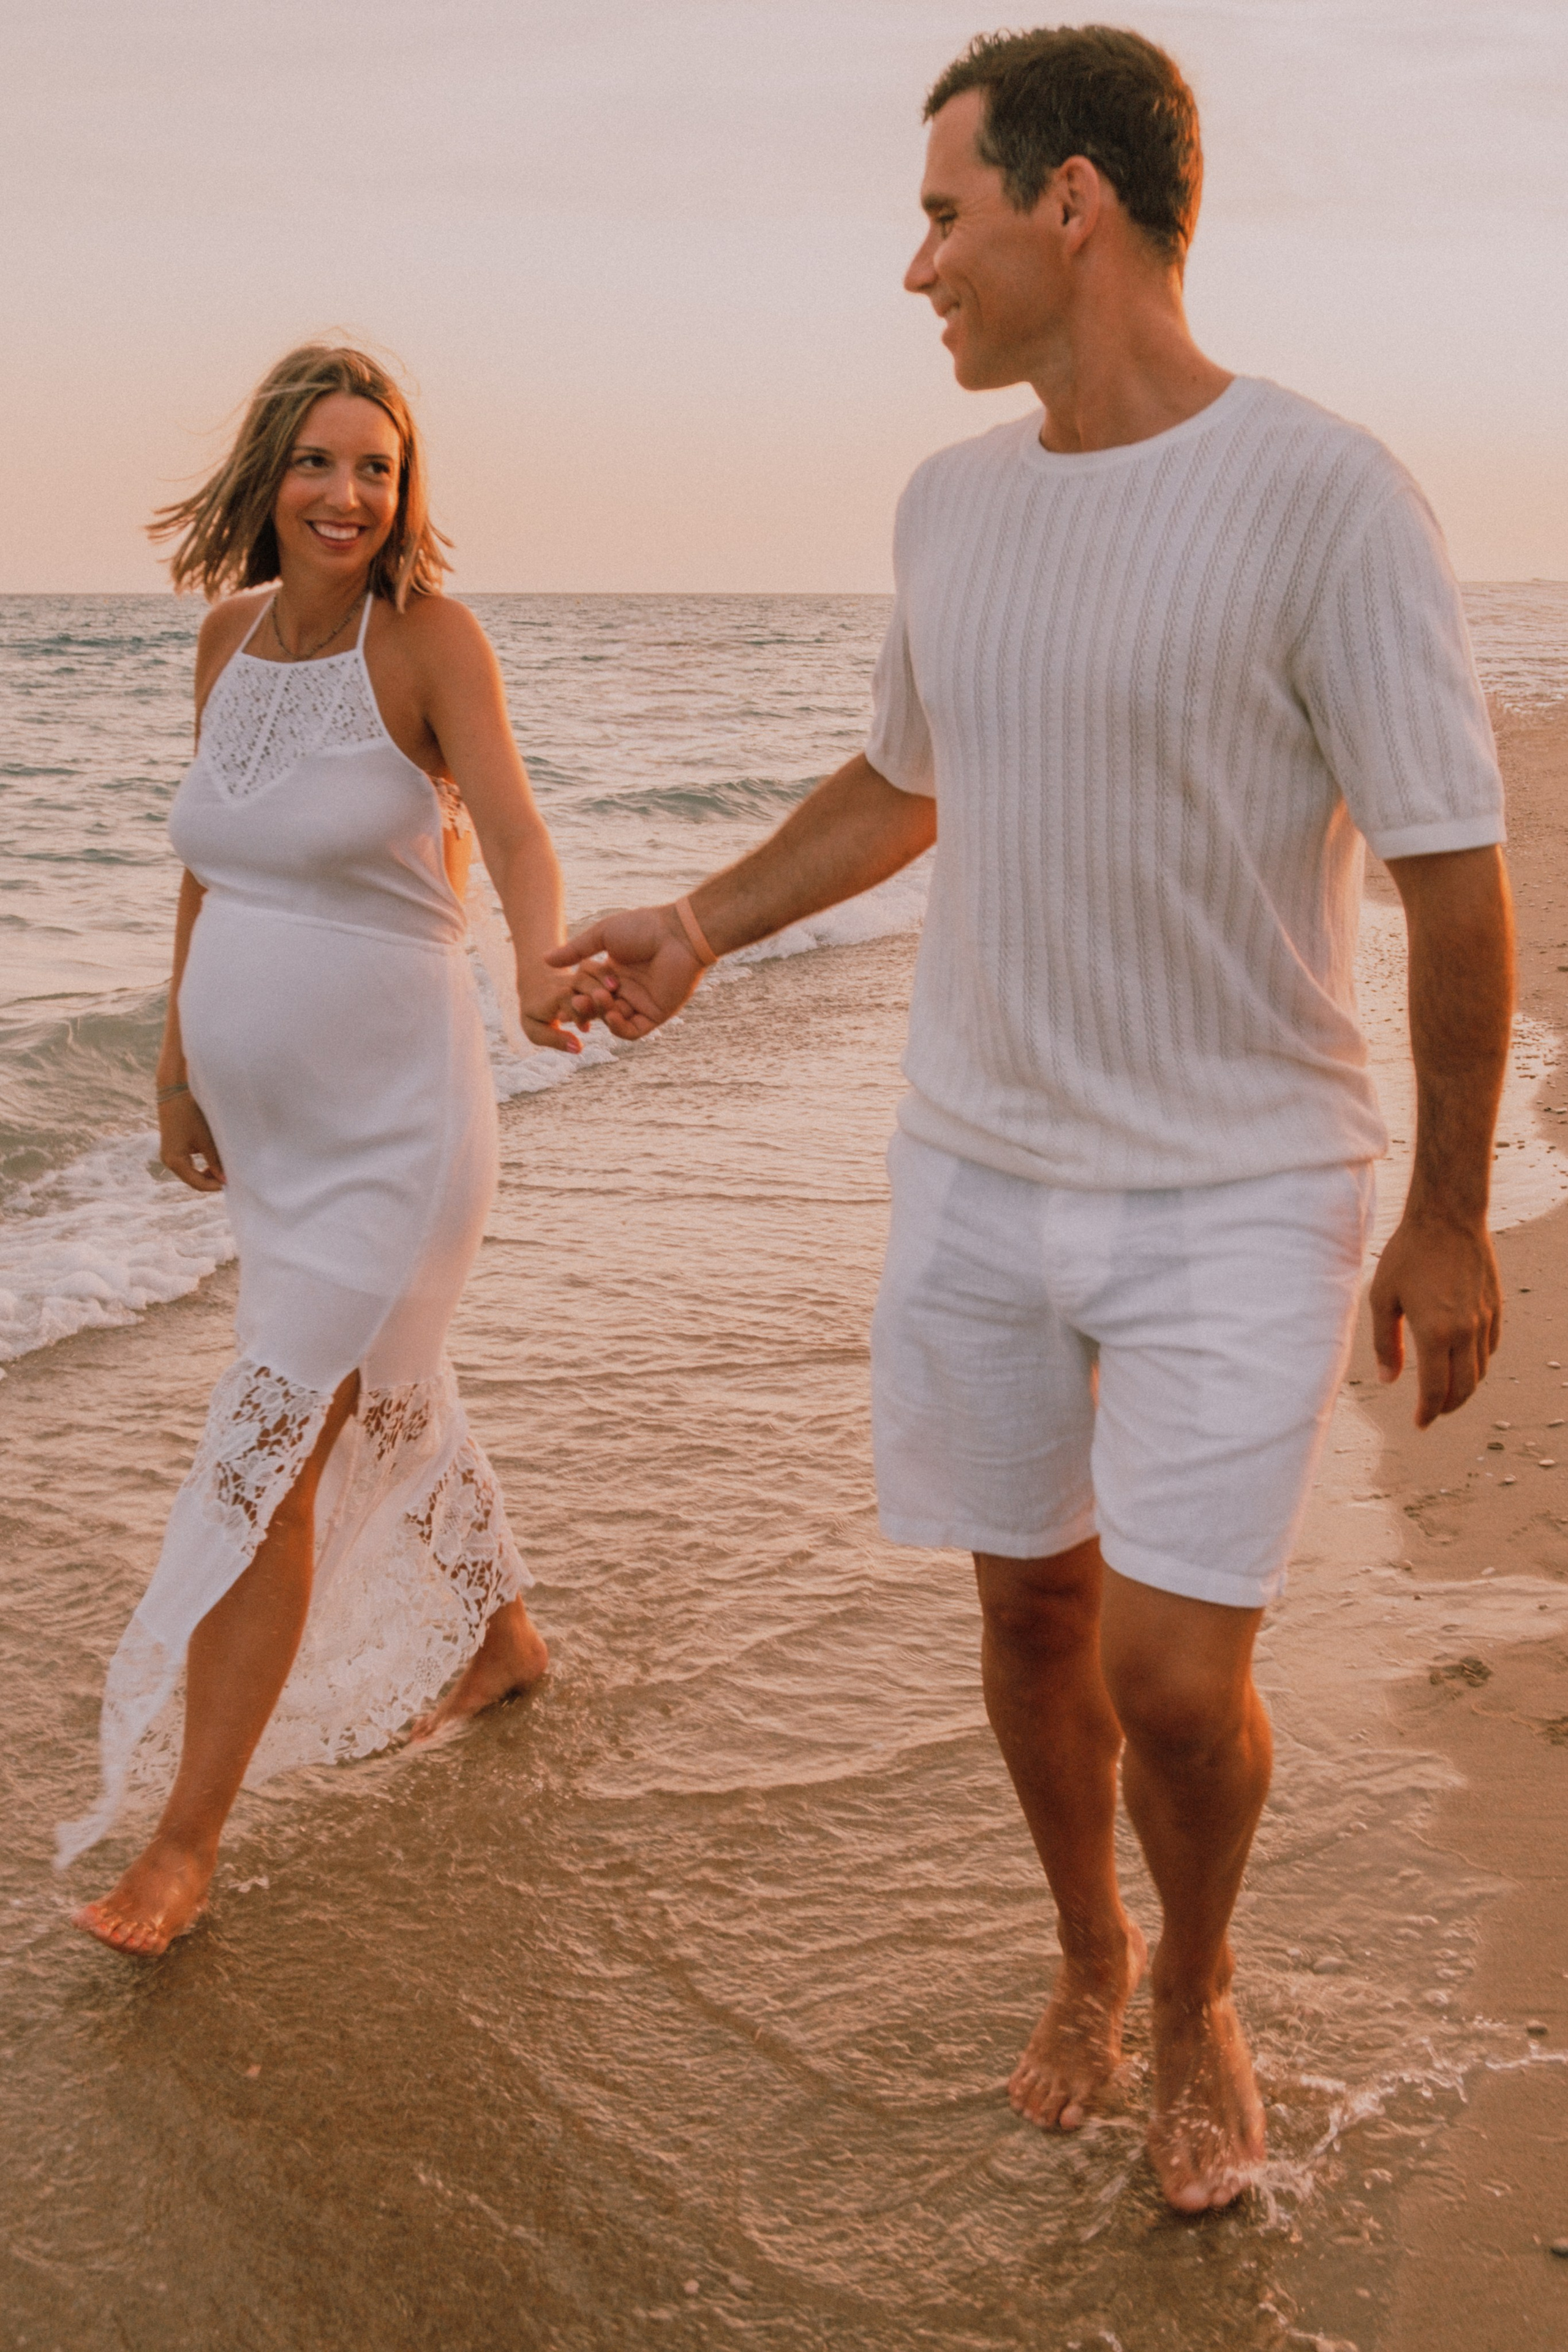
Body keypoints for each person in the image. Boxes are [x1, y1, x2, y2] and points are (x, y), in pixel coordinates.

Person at [550, 29, 1512, 2211]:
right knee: (1031, 1621)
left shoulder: (1329, 495)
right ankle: (1090, 1949)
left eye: (941, 215)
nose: (917, 269)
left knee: (1172, 1674)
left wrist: (1451, 1209)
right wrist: (699, 923)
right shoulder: (949, 505)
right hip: (978, 1166)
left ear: (1071, 203)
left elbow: (1457, 877)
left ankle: (1198, 1991)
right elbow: (910, 778)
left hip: (1246, 1178)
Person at [62, 344, 587, 1956]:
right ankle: (501, 1640)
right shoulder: (225, 641)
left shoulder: (427, 640)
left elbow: (514, 828)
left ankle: (184, 1845)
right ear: (267, 476)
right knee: (389, 1390)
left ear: (404, 489)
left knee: (274, 1437)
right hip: (274, 1138)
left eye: (377, 466)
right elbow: (207, 865)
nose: (348, 493)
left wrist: (540, 961)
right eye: (318, 461)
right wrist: (176, 1065)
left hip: (402, 1128)